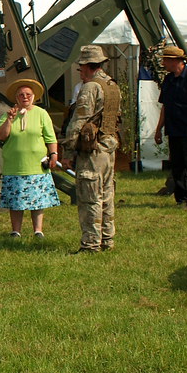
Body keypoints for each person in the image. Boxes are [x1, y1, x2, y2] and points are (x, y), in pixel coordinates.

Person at [62, 45, 120, 253]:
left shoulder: (90, 87)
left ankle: (90, 244)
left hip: (93, 151)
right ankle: (107, 240)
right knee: (106, 195)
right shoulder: (112, 86)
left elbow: (79, 121)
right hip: (108, 148)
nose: (80, 71)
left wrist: (68, 152)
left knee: (90, 198)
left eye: (81, 67)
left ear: (86, 66)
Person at [0, 78, 60, 238]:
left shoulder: (41, 114)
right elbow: (2, 136)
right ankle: (16, 231)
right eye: (21, 95)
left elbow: (50, 137)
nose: (25, 97)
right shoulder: (8, 115)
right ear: (16, 98)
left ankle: (38, 230)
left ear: (34, 97)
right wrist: (9, 120)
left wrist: (53, 154)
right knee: (16, 201)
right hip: (15, 166)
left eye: (28, 94)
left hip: (36, 166)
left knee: (37, 201)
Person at [154, 46, 187, 210]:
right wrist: (158, 129)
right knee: (178, 166)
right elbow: (165, 106)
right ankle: (182, 198)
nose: (163, 63)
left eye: (165, 60)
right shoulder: (169, 80)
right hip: (174, 129)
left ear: (174, 60)